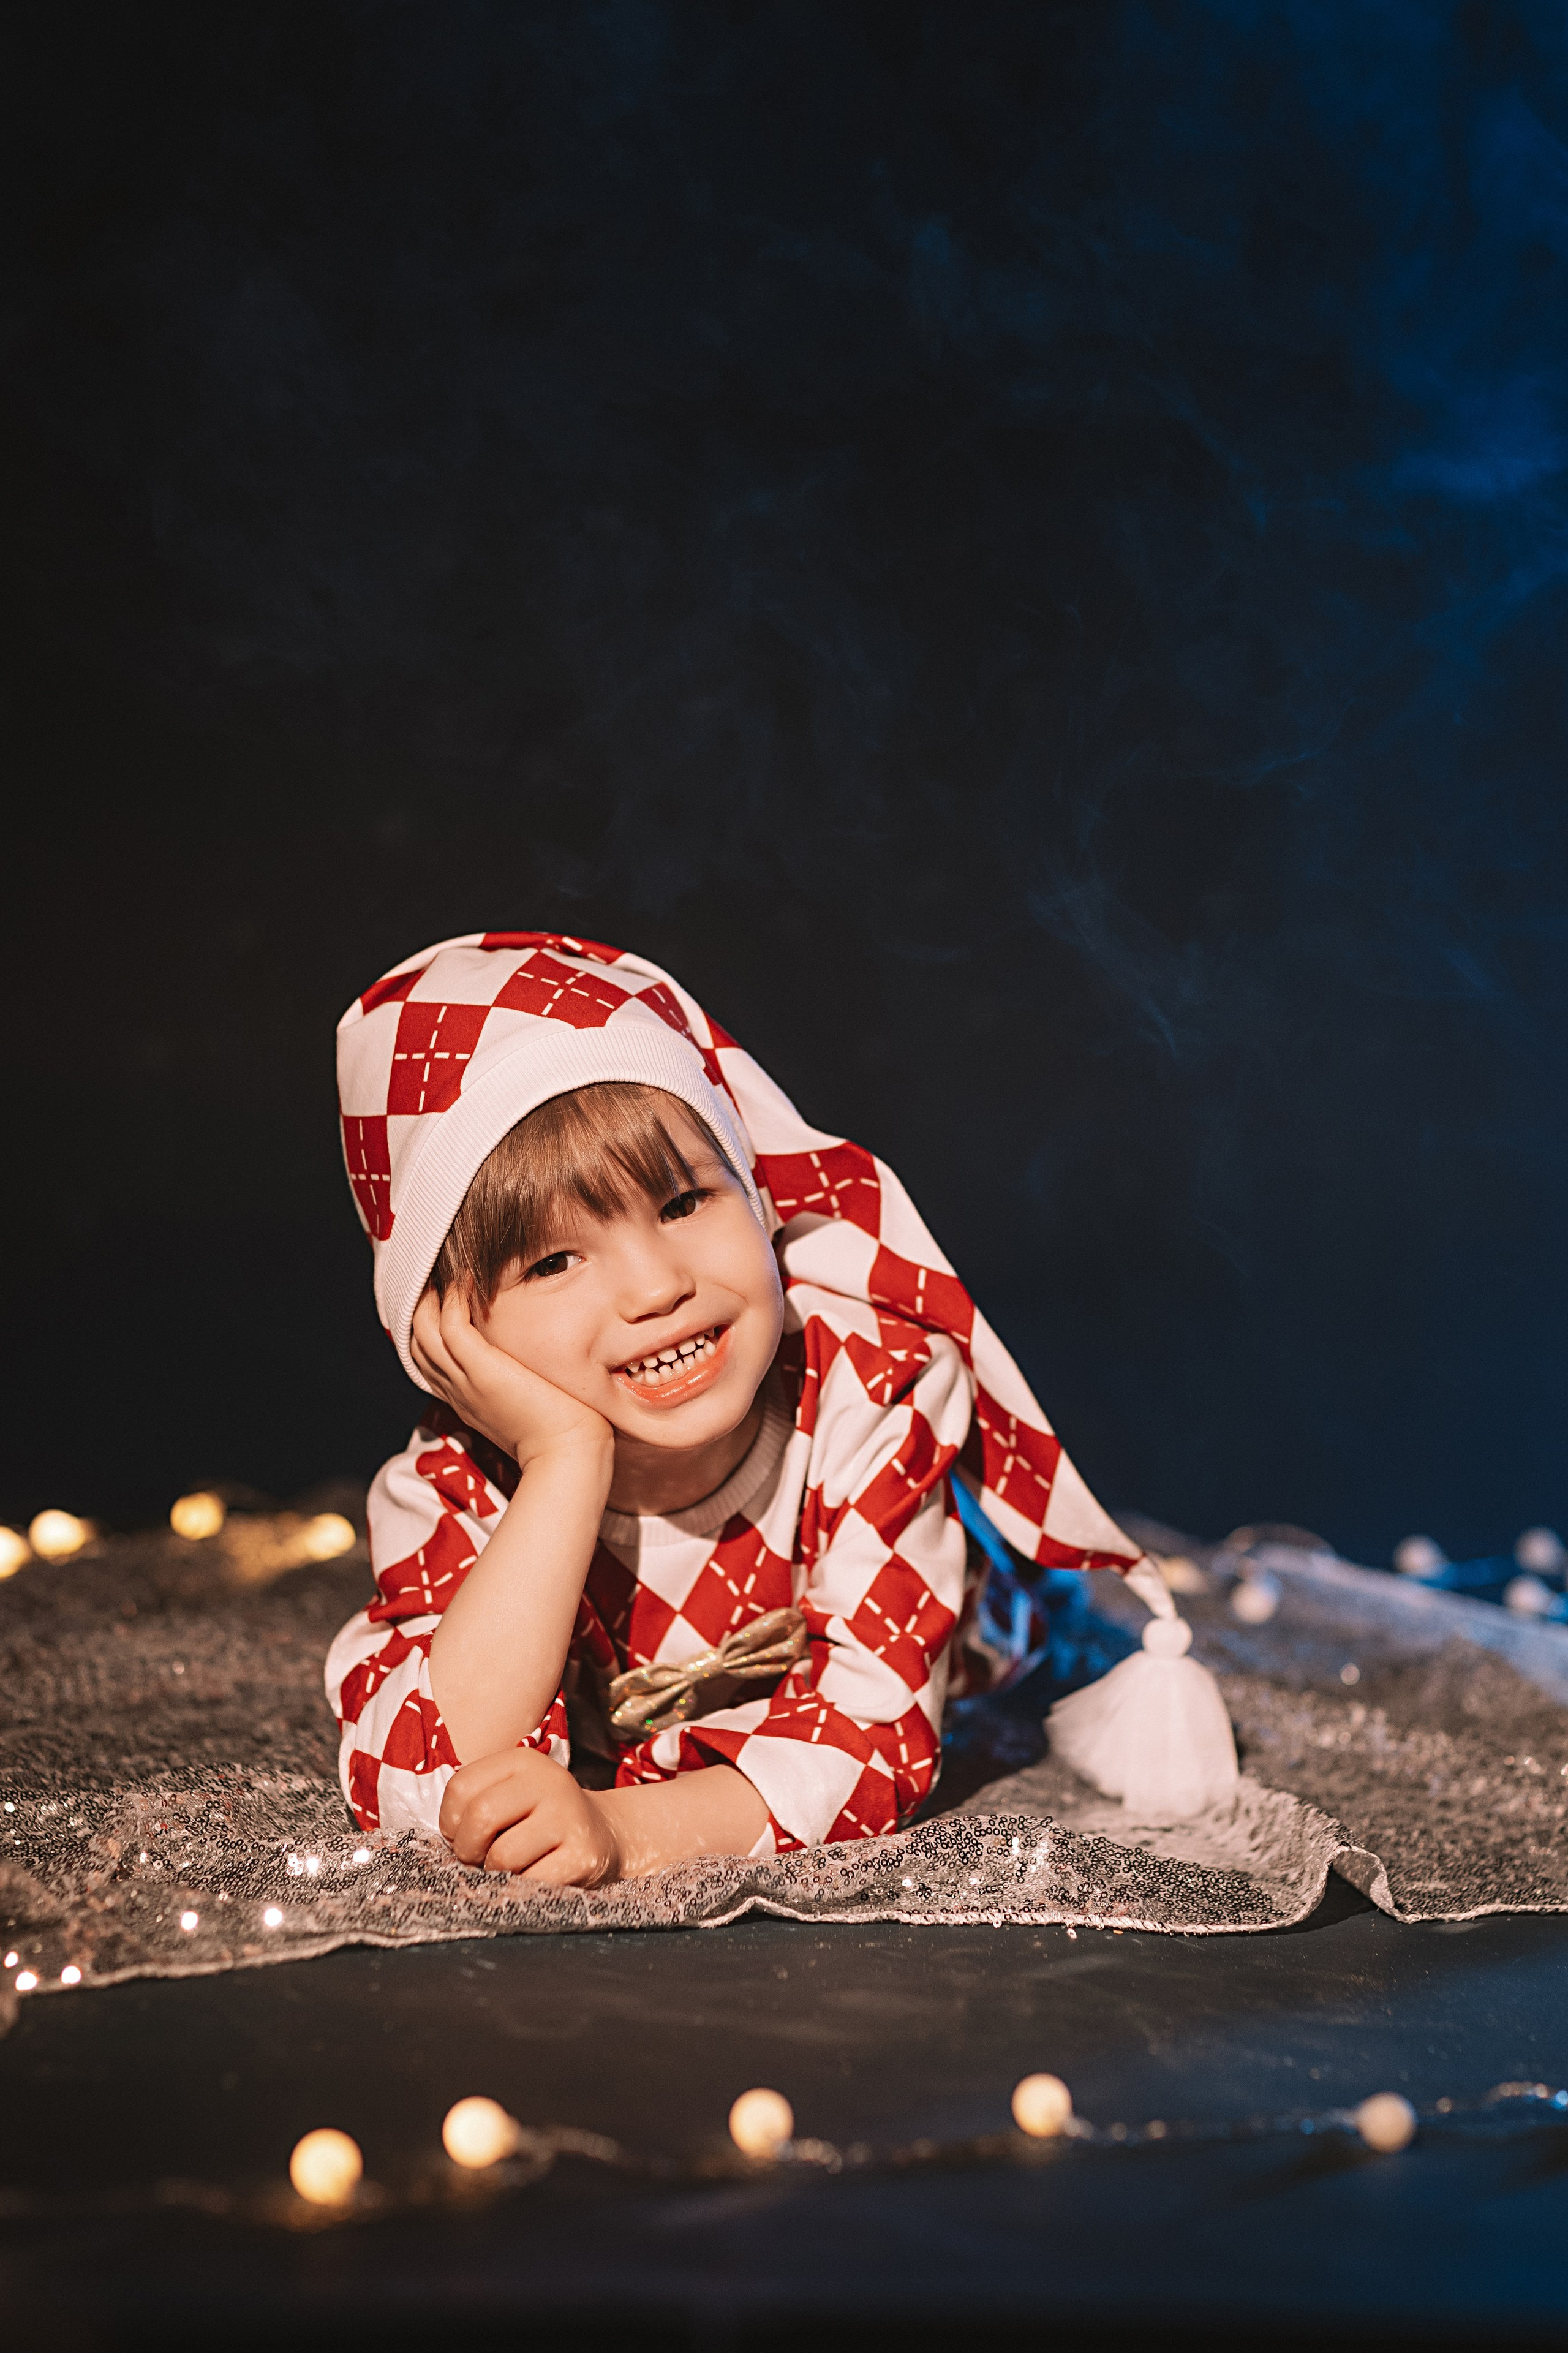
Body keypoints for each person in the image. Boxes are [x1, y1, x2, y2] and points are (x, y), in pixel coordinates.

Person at [326, 929, 1172, 1885]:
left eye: (685, 1202)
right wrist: (564, 1458)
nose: (655, 1287)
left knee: (1041, 1624)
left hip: (975, 1645)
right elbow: (417, 1779)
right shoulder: (456, 1486)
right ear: (448, 1336)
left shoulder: (867, 1392)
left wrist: (620, 1831)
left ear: (761, 1197)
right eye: (554, 1261)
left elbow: (875, 1740)